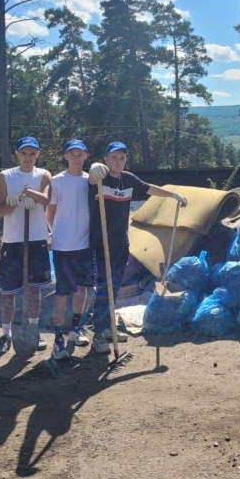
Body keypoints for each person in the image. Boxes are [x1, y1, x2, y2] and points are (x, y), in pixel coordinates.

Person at [87, 141, 188, 354]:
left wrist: (171, 194)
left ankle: (108, 327)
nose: (118, 162)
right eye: (113, 158)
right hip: (101, 243)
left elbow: (149, 188)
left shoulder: (129, 179)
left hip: (121, 243)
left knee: (114, 288)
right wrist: (94, 166)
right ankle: (98, 333)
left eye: (122, 158)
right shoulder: (99, 178)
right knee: (104, 287)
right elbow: (91, 176)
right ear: (105, 159)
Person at [0, 136, 52, 355]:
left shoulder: (43, 175)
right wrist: (14, 200)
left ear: (38, 154)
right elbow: (1, 211)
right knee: (8, 291)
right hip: (13, 240)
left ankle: (33, 328)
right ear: (17, 154)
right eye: (24, 153)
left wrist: (28, 194)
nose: (28, 157)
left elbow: (46, 199)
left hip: (36, 239)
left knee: (33, 288)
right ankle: (5, 333)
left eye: (32, 153)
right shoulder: (5, 176)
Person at [46, 138, 95, 359]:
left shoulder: (91, 181)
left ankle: (75, 329)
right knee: (62, 293)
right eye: (71, 154)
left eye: (80, 153)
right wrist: (57, 233)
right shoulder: (57, 181)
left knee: (82, 290)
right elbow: (50, 212)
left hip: (85, 245)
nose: (76, 157)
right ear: (65, 156)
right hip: (63, 247)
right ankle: (57, 340)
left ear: (86, 156)